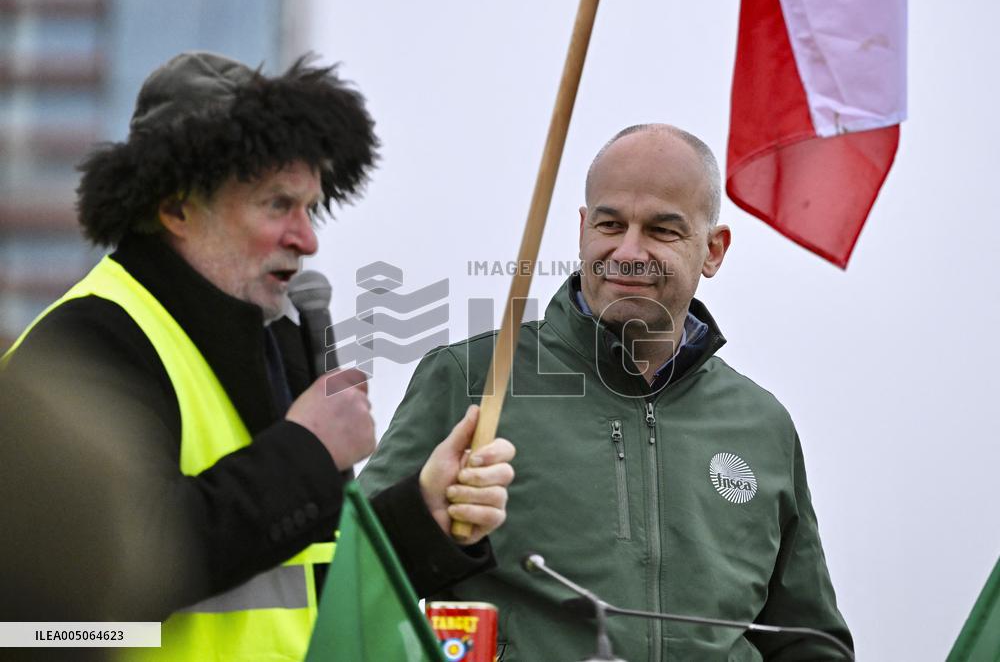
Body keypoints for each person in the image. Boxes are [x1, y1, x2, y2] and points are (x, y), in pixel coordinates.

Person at [1, 52, 514, 660]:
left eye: (310, 207)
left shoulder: (276, 338)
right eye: (277, 205)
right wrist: (306, 455)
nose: (308, 237)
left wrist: (421, 515)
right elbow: (56, 618)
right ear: (176, 207)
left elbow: (305, 585)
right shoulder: (86, 342)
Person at [360, 124, 853, 660]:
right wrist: (422, 524)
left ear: (713, 250)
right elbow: (349, 579)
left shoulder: (762, 424)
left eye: (663, 230)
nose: (629, 251)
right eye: (610, 224)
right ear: (582, 230)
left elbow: (810, 640)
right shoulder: (474, 380)